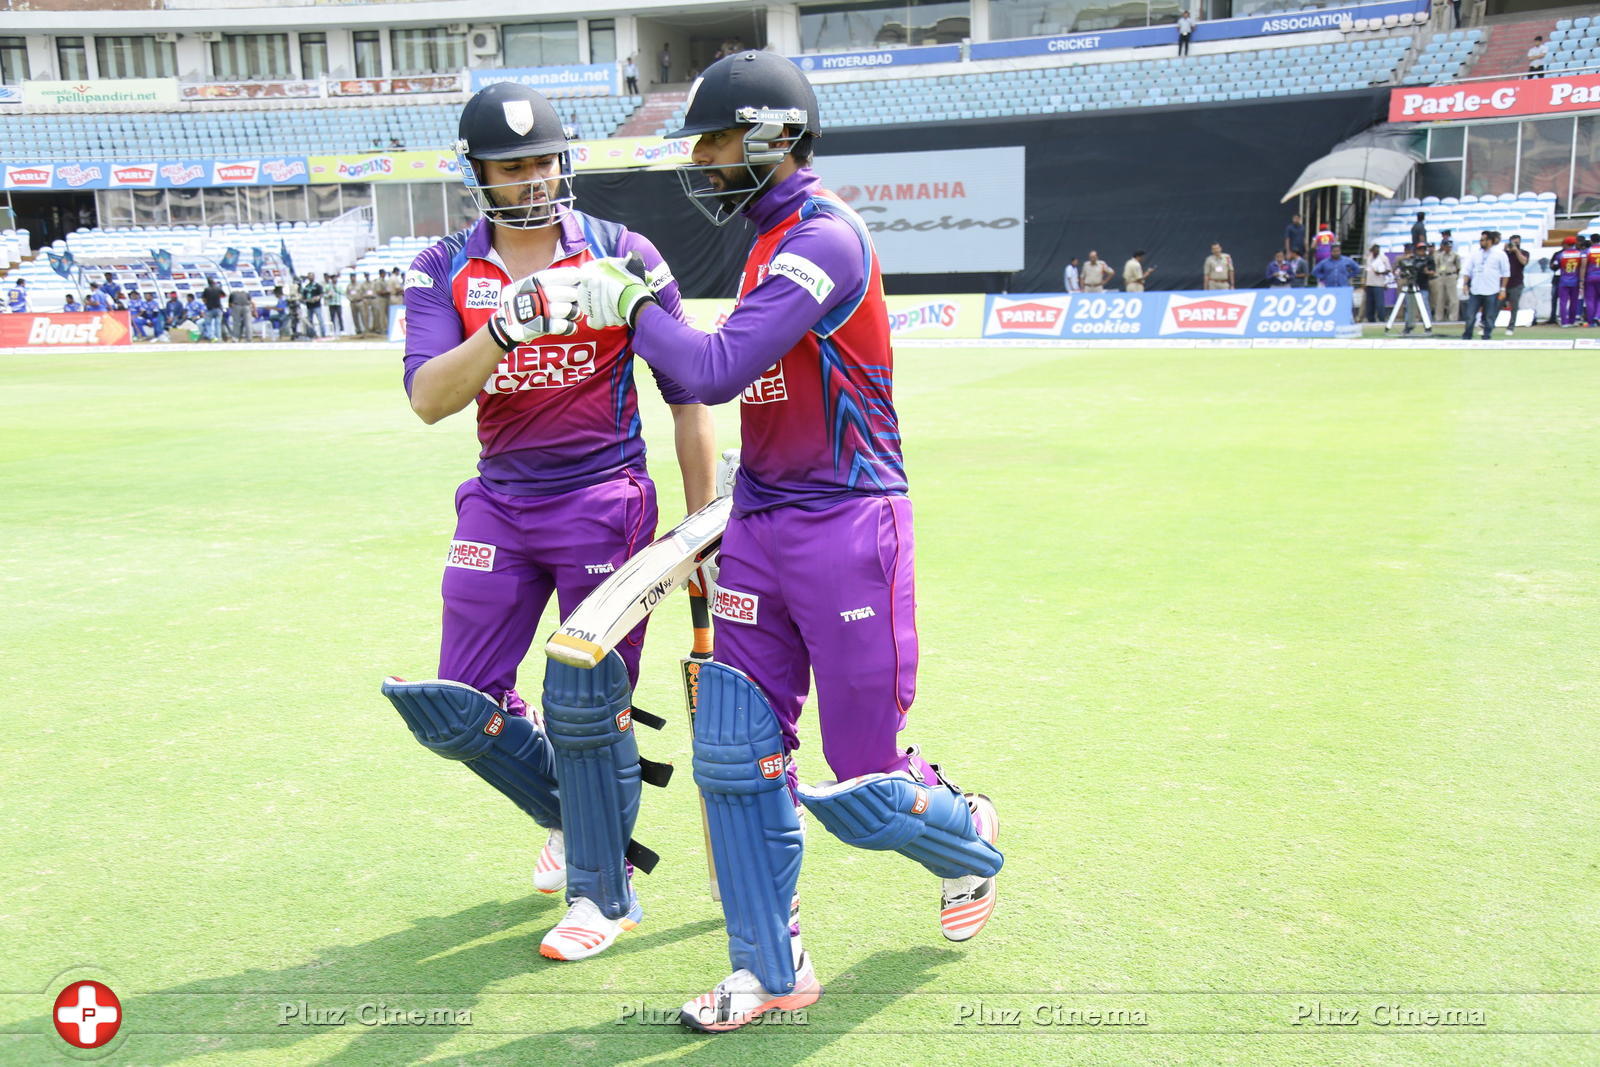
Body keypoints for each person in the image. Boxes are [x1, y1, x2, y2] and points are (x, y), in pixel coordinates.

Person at [565, 47, 1003, 1035]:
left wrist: (627, 298)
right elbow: (760, 391)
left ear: (772, 136)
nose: (703, 158)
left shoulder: (825, 239)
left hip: (850, 526)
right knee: (731, 748)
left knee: (863, 782)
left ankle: (966, 837)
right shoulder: (763, 244)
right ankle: (769, 968)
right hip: (762, 523)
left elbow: (715, 369)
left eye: (716, 138)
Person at [382, 81, 715, 963]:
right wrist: (505, 328)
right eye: (513, 165)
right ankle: (577, 814)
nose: (533, 179)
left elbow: (687, 397)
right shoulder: (441, 266)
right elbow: (427, 400)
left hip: (604, 500)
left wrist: (701, 526)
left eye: (544, 161)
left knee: (589, 704)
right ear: (477, 173)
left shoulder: (621, 252)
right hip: (498, 497)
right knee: (460, 705)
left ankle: (604, 893)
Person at [1461, 231, 1510, 340]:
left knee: (1489, 316)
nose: (1481, 242)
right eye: (1480, 240)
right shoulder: (1475, 254)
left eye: (1483, 240)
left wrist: (1503, 289)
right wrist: (1465, 284)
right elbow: (1467, 270)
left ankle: (1487, 335)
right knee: (1470, 315)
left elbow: (1506, 273)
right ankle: (1467, 335)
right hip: (1476, 289)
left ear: (1490, 241)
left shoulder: (1500, 254)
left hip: (1492, 289)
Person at [1386, 242, 1435, 335]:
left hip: (1423, 285)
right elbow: (1402, 267)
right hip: (1412, 284)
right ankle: (1409, 326)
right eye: (1420, 249)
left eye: (1424, 249)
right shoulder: (1413, 259)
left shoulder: (1429, 259)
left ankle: (1427, 326)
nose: (1422, 251)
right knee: (1410, 307)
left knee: (1424, 306)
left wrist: (1427, 271)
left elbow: (1433, 271)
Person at [1312, 242, 1362, 321]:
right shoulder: (1325, 262)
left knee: (1348, 304)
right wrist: (1324, 277)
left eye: (1338, 251)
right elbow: (1315, 271)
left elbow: (1357, 269)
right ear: (1331, 252)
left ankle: (1353, 319)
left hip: (1343, 287)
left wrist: (1348, 276)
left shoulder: (1346, 260)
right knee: (1331, 305)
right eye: (1334, 251)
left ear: (1340, 251)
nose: (1336, 253)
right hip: (1330, 288)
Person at [1553, 234, 1583, 325]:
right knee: (1574, 302)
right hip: (1575, 281)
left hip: (1564, 281)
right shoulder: (1579, 254)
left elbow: (1555, 265)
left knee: (1563, 302)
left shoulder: (1561, 254)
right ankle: (1572, 321)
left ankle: (1564, 322)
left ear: (1566, 244)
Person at [1502, 233, 1528, 335]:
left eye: (1517, 243)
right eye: (1513, 243)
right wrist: (1504, 250)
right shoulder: (1505, 254)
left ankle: (1511, 327)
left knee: (1514, 306)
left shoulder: (1524, 253)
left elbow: (1524, 262)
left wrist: (1516, 251)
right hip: (1504, 284)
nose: (1515, 245)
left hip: (1517, 283)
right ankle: (1489, 325)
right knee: (1497, 305)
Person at [1430, 238, 1461, 323]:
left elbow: (1458, 267)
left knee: (1453, 298)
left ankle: (1453, 317)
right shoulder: (1439, 256)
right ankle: (1438, 317)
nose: (1448, 248)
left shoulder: (1455, 255)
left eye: (1449, 246)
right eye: (1446, 246)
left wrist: (1455, 276)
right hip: (1441, 276)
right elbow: (1437, 265)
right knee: (1440, 298)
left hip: (1451, 275)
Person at [1362, 244, 1391, 321]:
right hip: (1369, 283)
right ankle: (1371, 319)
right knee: (1370, 304)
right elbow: (1366, 271)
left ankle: (1382, 318)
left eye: (1377, 250)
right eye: (1374, 250)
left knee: (1379, 304)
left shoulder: (1383, 258)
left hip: (1379, 284)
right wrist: (1364, 283)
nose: (1376, 251)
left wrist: (1381, 273)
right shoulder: (1369, 258)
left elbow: (1388, 270)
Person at [201, 276, 225, 341]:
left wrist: (206, 303)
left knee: (208, 324)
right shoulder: (218, 288)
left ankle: (211, 337)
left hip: (210, 308)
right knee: (217, 324)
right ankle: (219, 338)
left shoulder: (207, 289)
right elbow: (224, 295)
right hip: (218, 308)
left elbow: (203, 298)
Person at [303, 273, 326, 338]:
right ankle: (312, 334)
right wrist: (306, 300)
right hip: (309, 306)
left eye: (311, 276)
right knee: (310, 321)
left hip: (316, 306)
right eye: (309, 277)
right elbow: (303, 297)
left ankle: (323, 334)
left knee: (320, 320)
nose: (310, 278)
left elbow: (321, 294)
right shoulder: (306, 287)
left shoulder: (317, 286)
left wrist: (317, 297)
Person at [1584, 233, 1600, 327]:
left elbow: (1584, 265)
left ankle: (1591, 321)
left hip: (1590, 277)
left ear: (1591, 241)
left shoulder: (1588, 251)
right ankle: (1598, 316)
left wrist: (1582, 279)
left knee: (1590, 299)